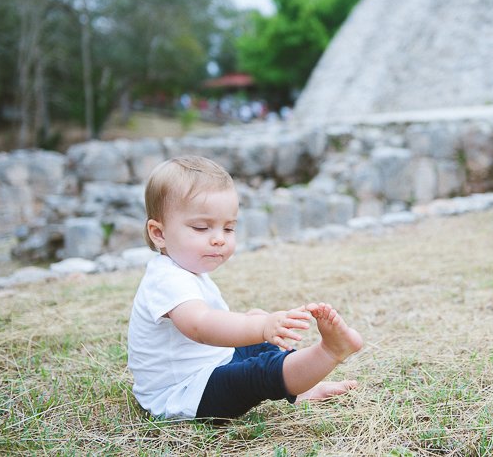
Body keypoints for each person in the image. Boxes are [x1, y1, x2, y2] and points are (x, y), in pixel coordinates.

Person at [127, 155, 363, 420]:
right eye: (201, 227)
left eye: (228, 228)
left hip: (210, 365)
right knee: (256, 371)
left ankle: (299, 387)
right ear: (159, 233)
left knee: (259, 343)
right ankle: (329, 352)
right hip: (184, 393)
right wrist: (259, 327)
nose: (218, 239)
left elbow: (216, 328)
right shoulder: (166, 279)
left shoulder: (187, 270)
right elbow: (200, 326)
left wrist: (252, 323)